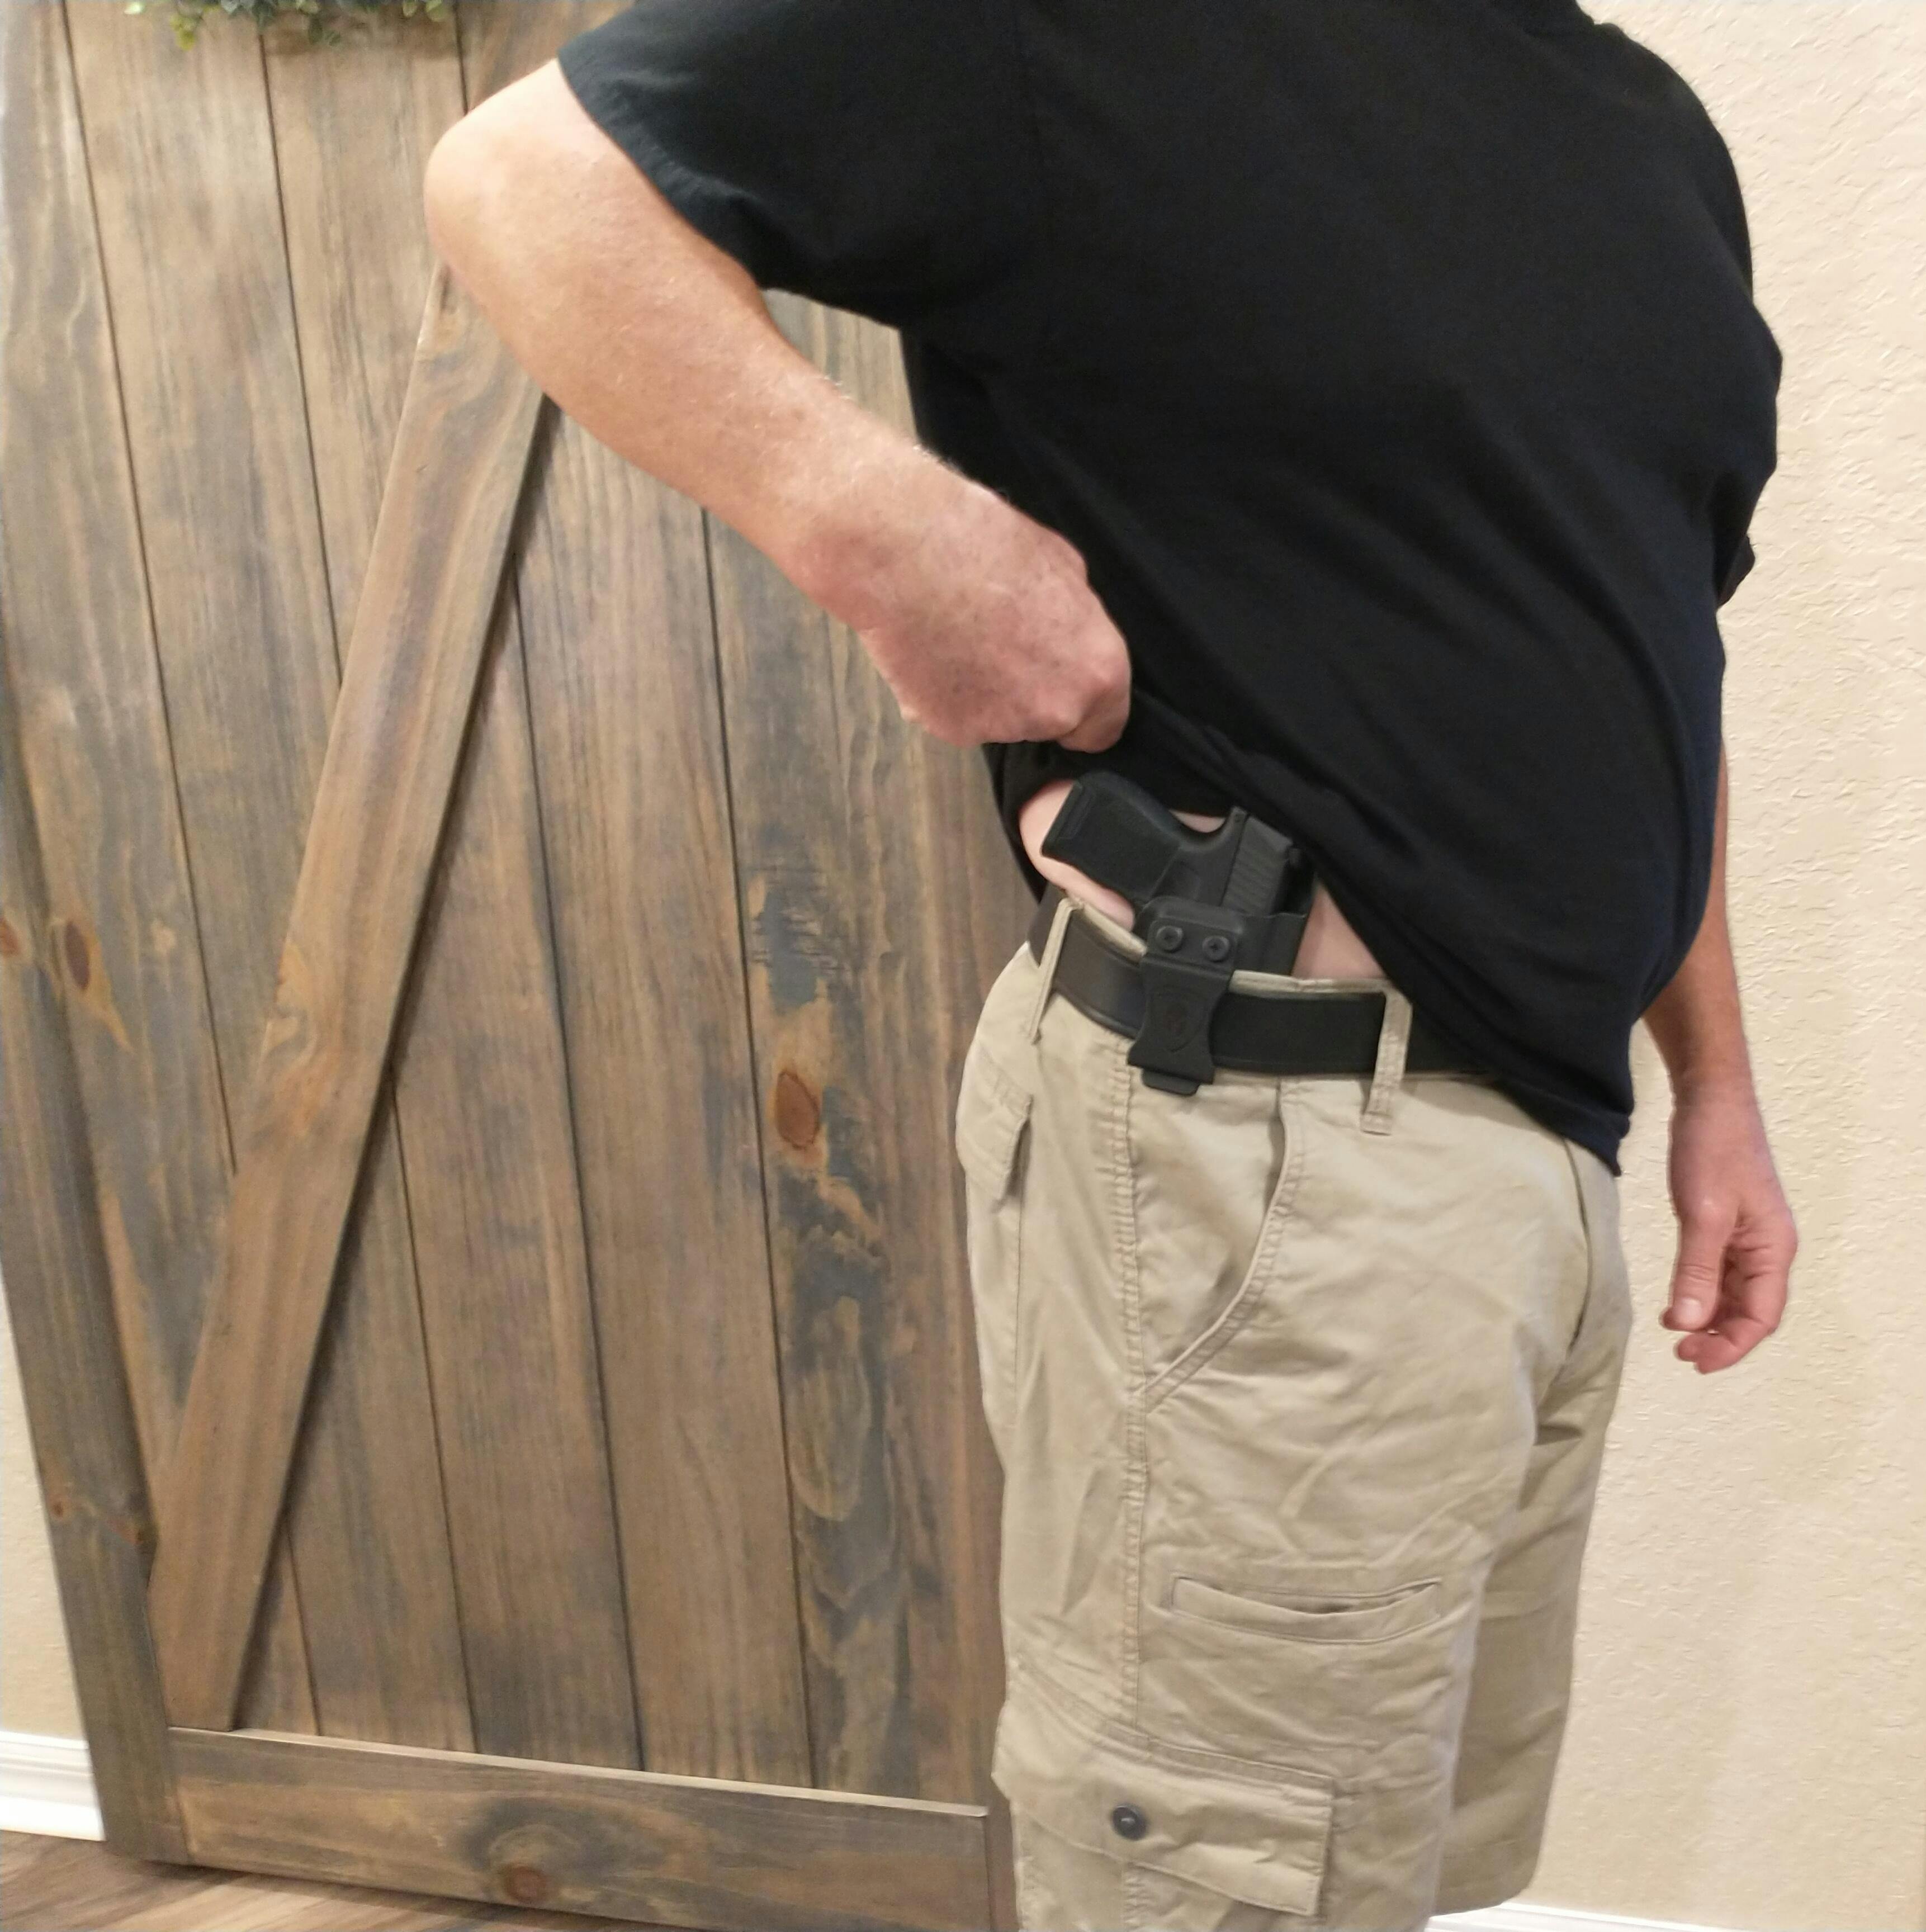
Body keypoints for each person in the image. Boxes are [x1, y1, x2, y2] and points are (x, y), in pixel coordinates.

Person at [425, 1, 1791, 1922]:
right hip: (1269, 1151)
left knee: (1399, 1872)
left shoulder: (1649, 130)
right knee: (1229, 1887)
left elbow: (1652, 644)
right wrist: (887, 530)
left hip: (1541, 1172)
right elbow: (524, 179)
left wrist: (1715, 1079)